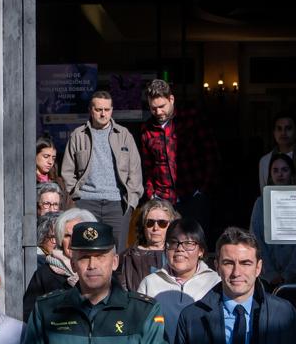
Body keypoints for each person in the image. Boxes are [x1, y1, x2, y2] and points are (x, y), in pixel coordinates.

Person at [13, 220, 171, 344]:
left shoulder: (142, 311)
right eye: (84, 257)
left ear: (114, 262)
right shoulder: (48, 309)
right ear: (72, 263)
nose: (92, 265)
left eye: (100, 256)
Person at [59, 89, 145, 249]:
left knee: (117, 254)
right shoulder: (78, 135)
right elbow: (67, 171)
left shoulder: (124, 135)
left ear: (112, 110)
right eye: (98, 110)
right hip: (86, 202)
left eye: (107, 109)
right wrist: (77, 198)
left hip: (117, 204)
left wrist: (131, 202)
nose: (103, 114)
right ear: (91, 110)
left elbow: (135, 171)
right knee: (86, 249)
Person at [138, 78, 217, 234]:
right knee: (165, 245)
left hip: (193, 195)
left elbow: (211, 154)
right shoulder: (146, 129)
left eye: (162, 106)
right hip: (163, 199)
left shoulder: (191, 118)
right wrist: (151, 194)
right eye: (153, 108)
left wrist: (202, 190)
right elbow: (148, 167)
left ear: (171, 99)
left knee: (195, 243)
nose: (158, 112)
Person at [139, 218, 219, 332]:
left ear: (201, 250)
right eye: (173, 243)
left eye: (188, 243)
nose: (180, 249)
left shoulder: (215, 282)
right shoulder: (149, 283)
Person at [24, 206, 95, 320]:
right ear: (60, 239)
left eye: (78, 234)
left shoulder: (102, 271)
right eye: (67, 236)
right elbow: (29, 315)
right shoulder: (45, 274)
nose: (72, 241)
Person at [250, 152, 296, 286]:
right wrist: (270, 273)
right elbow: (255, 238)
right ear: (270, 175)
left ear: (292, 174)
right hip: (266, 278)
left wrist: (289, 274)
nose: (280, 174)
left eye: (284, 170)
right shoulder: (261, 203)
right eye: (275, 170)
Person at [117, 198, 177, 291]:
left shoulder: (179, 254)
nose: (155, 228)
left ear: (171, 225)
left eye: (162, 223)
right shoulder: (127, 257)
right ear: (143, 225)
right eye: (150, 222)